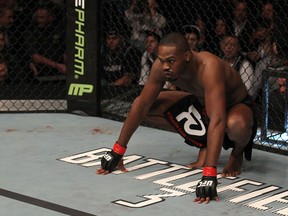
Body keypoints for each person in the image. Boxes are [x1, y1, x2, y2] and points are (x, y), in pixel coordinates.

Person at [96, 33, 257, 204]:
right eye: (161, 60)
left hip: (235, 106)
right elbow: (142, 104)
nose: (165, 66)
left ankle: (237, 153)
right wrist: (117, 151)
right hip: (201, 105)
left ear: (187, 56)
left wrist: (209, 173)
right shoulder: (161, 66)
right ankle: (203, 143)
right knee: (144, 105)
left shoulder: (209, 67)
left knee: (236, 125)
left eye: (171, 61)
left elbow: (217, 120)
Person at [24, 4, 66, 80]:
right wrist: (58, 65)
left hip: (61, 69)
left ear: (50, 17)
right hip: (41, 71)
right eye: (37, 17)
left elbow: (65, 50)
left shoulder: (58, 30)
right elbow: (35, 56)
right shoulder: (31, 32)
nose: (39, 20)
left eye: (42, 17)